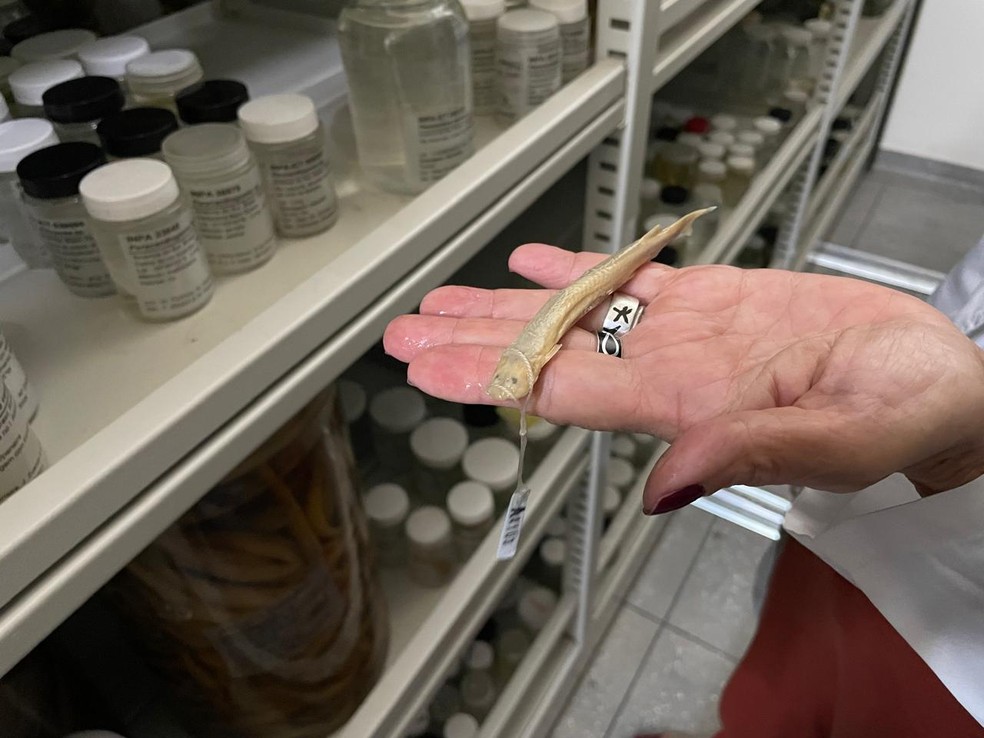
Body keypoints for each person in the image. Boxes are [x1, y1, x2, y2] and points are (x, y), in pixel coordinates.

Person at [383, 239, 984, 737]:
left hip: (953, 664)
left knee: (855, 700)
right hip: (873, 542)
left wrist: (967, 449)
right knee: (784, 678)